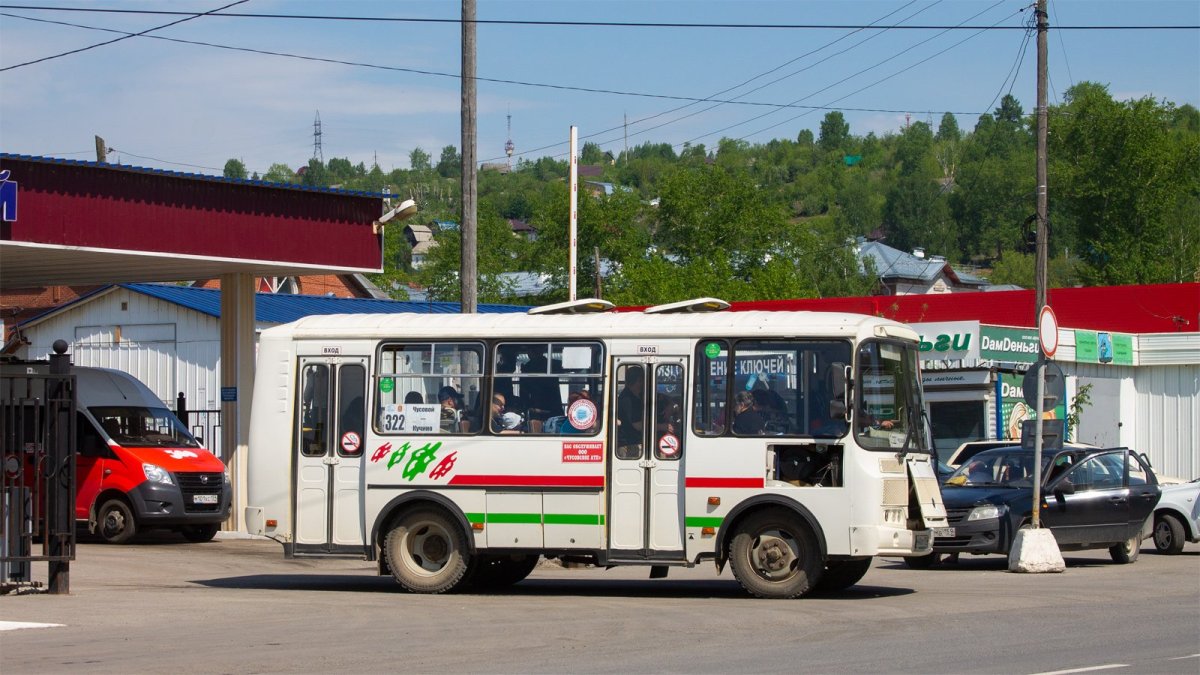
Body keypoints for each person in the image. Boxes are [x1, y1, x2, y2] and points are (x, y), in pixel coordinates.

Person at [616, 366, 644, 457]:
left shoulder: (639, 396)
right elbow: (637, 425)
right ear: (635, 381)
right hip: (628, 444)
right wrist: (660, 427)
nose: (643, 383)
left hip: (633, 441)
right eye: (641, 380)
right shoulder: (627, 399)